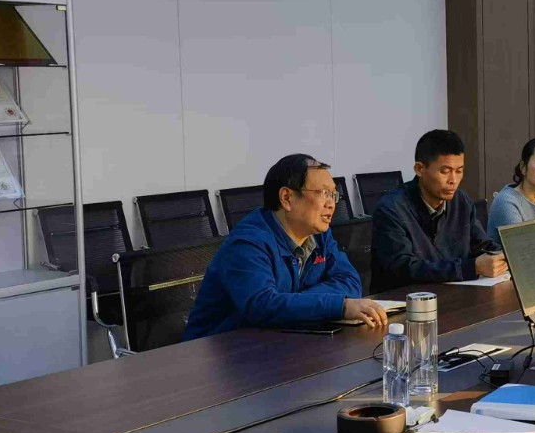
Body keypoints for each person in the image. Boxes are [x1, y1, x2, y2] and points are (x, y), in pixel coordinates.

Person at [183, 154, 387, 340]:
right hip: (215, 352)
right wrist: (338, 306)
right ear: (287, 198)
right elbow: (262, 306)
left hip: (280, 339)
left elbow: (350, 281)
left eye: (333, 194)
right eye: (323, 193)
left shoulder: (320, 234)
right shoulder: (247, 243)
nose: (331, 204)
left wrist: (294, 303)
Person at [370, 129, 506, 292]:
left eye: (459, 171)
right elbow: (403, 268)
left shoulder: (461, 201)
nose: (453, 180)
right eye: (445, 171)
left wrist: (504, 255)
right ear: (420, 169)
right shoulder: (391, 209)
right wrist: (470, 267)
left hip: (455, 296)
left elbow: (481, 245)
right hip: (403, 300)